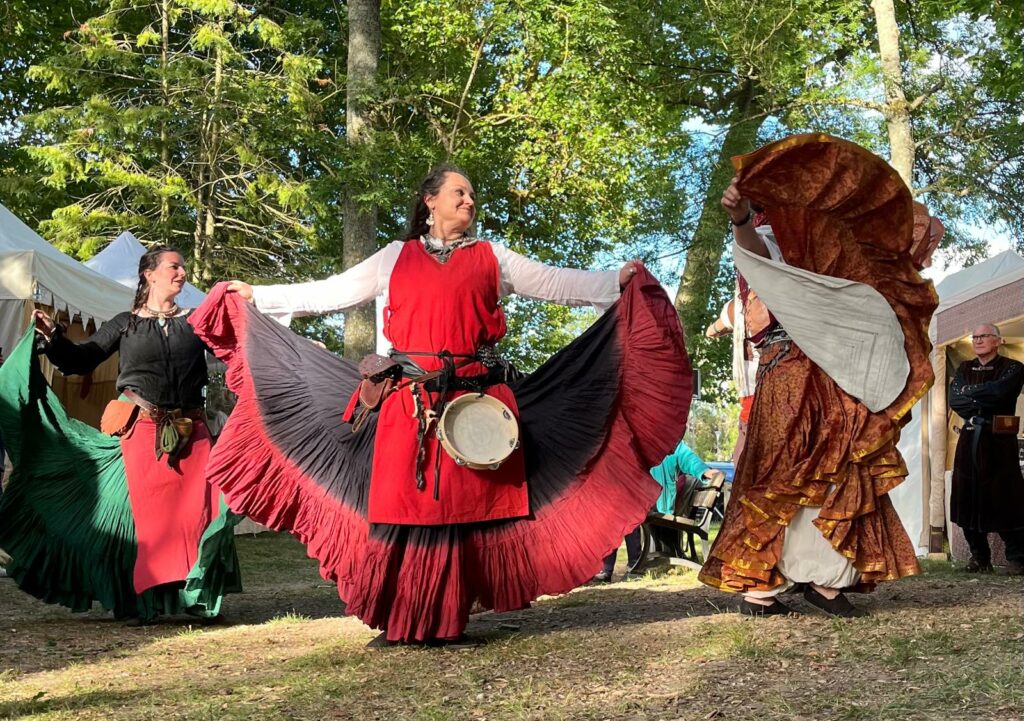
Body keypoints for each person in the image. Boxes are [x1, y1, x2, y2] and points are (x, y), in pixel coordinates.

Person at [188, 163, 692, 645]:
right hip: (408, 403)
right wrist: (261, 296)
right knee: (411, 509)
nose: (470, 200)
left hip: (474, 405)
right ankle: (406, 616)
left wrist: (615, 282)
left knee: (462, 510)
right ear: (430, 202)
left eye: (472, 195)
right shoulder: (393, 257)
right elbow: (331, 293)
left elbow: (558, 284)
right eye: (459, 192)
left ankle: (449, 616)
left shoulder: (493, 257)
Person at [698, 134, 937, 618]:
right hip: (790, 375)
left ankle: (823, 580)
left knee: (833, 466)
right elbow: (755, 253)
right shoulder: (772, 236)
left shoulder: (841, 246)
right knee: (783, 470)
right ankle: (760, 586)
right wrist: (741, 218)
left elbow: (905, 244)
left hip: (833, 376)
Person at [0, 246, 241, 624]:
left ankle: (196, 595)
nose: (182, 273)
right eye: (174, 267)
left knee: (200, 514)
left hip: (192, 433)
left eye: (183, 268)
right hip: (142, 431)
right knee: (141, 521)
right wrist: (54, 336)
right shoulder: (125, 323)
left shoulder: (196, 322)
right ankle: (137, 601)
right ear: (149, 274)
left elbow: (234, 351)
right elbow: (81, 359)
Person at [949, 323, 1024, 575]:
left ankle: (1017, 558)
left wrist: (972, 394)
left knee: (1006, 496)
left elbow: (1001, 394)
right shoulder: (963, 368)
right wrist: (980, 395)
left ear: (998, 341)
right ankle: (980, 558)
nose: (978, 340)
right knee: (967, 496)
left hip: (999, 442)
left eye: (984, 336)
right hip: (969, 438)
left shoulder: (1014, 368)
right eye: (975, 336)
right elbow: (955, 400)